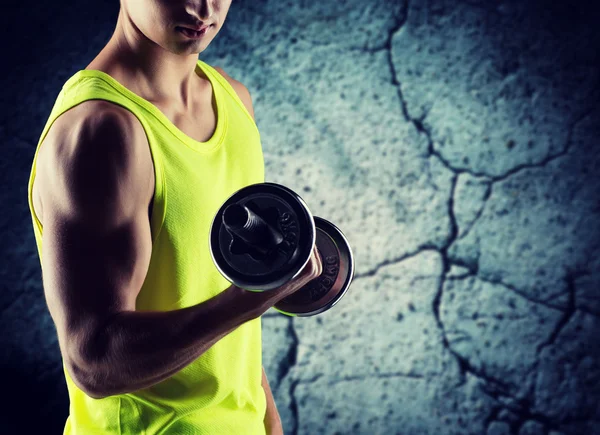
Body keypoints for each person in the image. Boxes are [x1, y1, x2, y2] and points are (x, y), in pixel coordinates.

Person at [26, 0, 323, 433]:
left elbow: (228, 341)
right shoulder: (102, 131)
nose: (203, 7)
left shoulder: (233, 100)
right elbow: (94, 361)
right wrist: (250, 300)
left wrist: (268, 425)